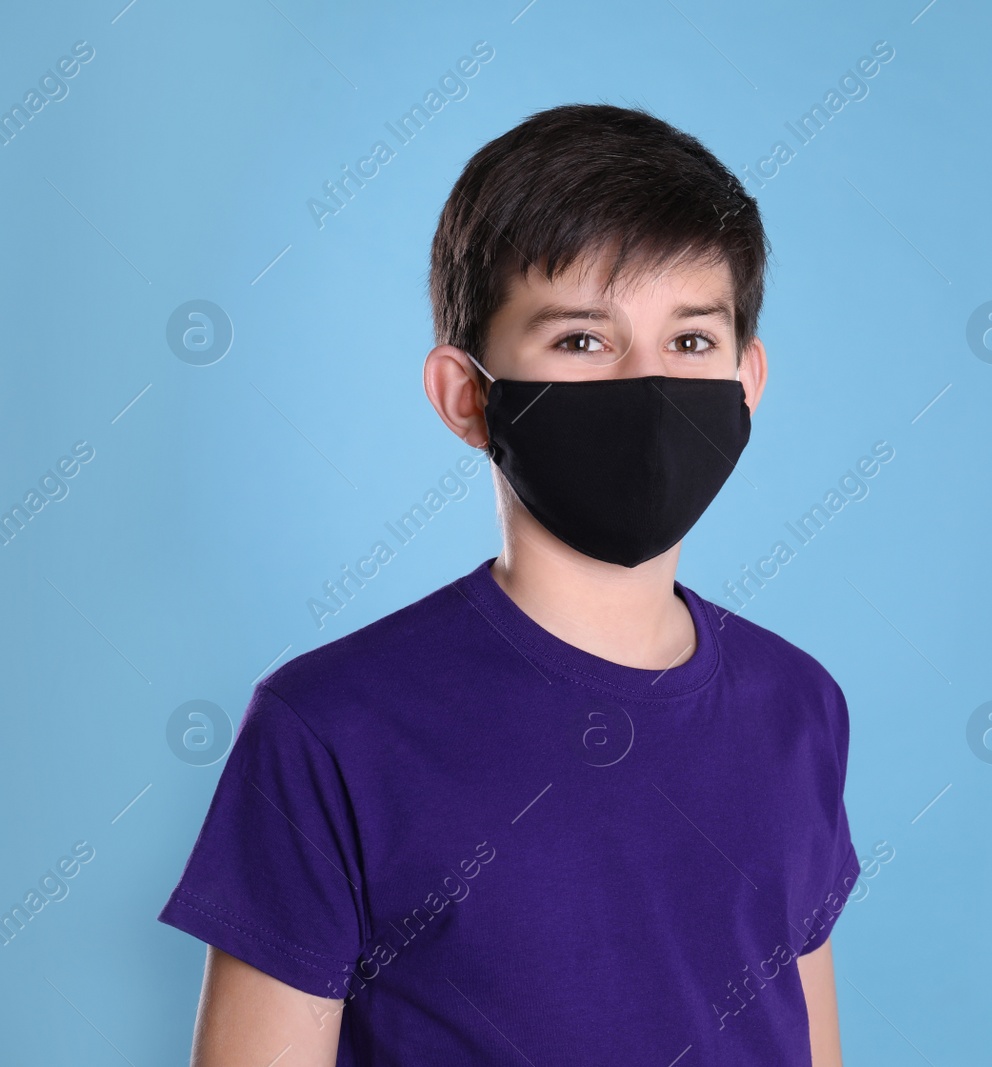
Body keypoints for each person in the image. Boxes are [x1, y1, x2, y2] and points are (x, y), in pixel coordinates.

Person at [158, 103, 860, 1066]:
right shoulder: (329, 727)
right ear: (467, 395)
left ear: (749, 379)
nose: (647, 384)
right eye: (581, 340)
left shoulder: (801, 705)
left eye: (691, 342)